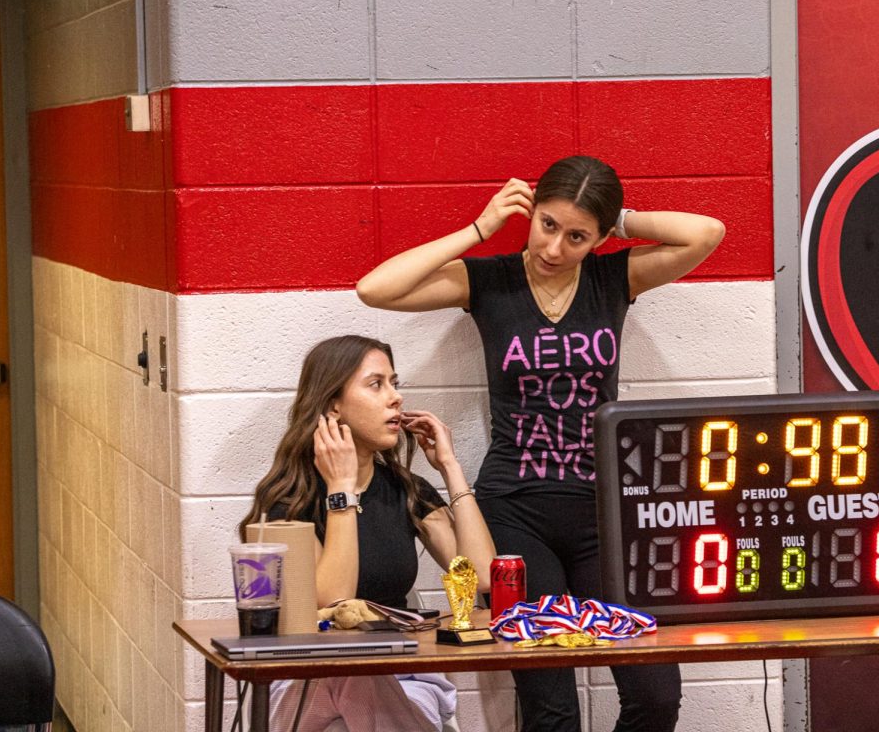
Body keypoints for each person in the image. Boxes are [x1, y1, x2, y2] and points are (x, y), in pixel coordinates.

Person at [356, 155, 726, 732]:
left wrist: (618, 222)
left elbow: (708, 232)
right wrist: (479, 229)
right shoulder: (489, 280)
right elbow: (375, 289)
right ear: (531, 213)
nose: (555, 247)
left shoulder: (613, 278)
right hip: (515, 511)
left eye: (577, 236)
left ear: (598, 237)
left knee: (655, 694)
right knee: (552, 711)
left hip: (603, 512)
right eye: (547, 225)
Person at [240, 335, 495, 732]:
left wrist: (450, 467)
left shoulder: (405, 490)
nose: (395, 398)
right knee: (349, 667)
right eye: (377, 385)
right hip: (305, 682)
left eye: (395, 384)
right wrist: (340, 490)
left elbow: (482, 577)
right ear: (332, 405)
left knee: (358, 684)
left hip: (403, 680)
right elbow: (332, 601)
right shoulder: (289, 501)